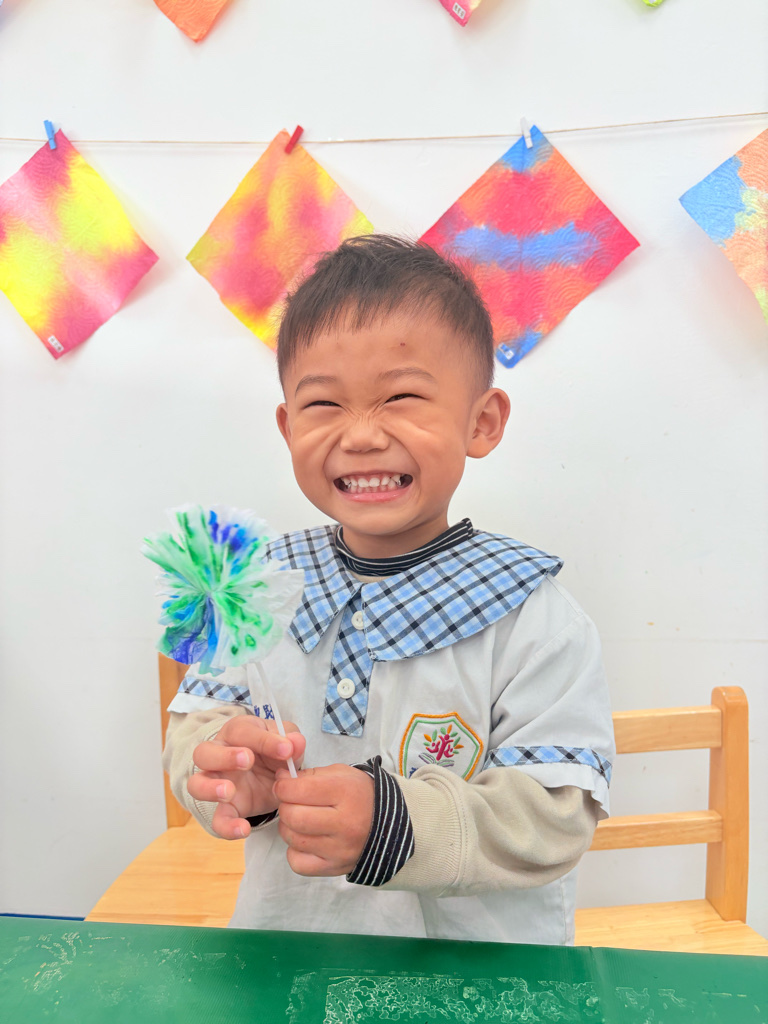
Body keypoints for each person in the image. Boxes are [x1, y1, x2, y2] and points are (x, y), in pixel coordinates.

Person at [163, 234, 615, 944]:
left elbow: (555, 817)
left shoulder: (533, 617)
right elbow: (196, 727)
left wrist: (396, 822)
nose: (361, 435)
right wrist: (222, 774)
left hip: (475, 977)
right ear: (287, 426)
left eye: (401, 397)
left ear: (482, 422)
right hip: (292, 955)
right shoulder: (257, 586)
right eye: (323, 404)